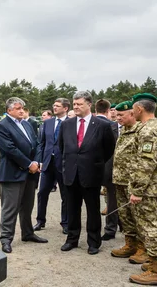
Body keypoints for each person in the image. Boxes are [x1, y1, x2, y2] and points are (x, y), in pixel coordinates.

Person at [58, 91, 116, 255]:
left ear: (89, 104)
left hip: (91, 173)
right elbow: (62, 148)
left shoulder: (102, 125)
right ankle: (72, 239)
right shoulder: (66, 125)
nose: (75, 107)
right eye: (74, 104)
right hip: (71, 173)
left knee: (92, 209)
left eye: (79, 104)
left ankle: (94, 242)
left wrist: (94, 162)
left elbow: (109, 149)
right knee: (72, 209)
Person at [0, 97, 47, 254]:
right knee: (10, 208)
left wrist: (36, 162)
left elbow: (37, 144)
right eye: (18, 108)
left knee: (27, 206)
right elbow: (9, 149)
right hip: (13, 173)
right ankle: (5, 238)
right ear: (9, 110)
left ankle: (27, 233)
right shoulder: (2, 126)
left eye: (23, 108)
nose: (22, 110)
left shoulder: (27, 124)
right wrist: (28, 164)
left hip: (30, 173)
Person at [128, 93, 157, 284]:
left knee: (151, 227)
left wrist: (137, 190)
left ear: (139, 109)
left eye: (133, 109)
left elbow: (146, 162)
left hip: (149, 190)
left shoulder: (148, 131)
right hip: (152, 187)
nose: (132, 112)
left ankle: (155, 270)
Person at [110, 101, 144, 261]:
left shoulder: (141, 130)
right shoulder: (123, 130)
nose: (117, 118)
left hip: (133, 182)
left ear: (132, 114)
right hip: (120, 180)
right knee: (125, 216)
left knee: (139, 217)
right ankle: (130, 244)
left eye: (121, 115)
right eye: (116, 115)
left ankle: (143, 249)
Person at [34, 98, 69, 235]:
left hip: (63, 164)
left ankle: (65, 223)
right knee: (42, 193)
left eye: (58, 106)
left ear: (65, 108)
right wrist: (39, 161)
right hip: (47, 163)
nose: (54, 108)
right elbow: (41, 143)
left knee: (66, 195)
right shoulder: (47, 123)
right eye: (54, 105)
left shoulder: (70, 123)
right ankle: (40, 220)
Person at [94, 98, 119, 241]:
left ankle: (101, 228)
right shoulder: (112, 126)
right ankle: (111, 227)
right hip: (110, 169)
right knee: (112, 200)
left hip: (93, 168)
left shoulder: (90, 125)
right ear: (108, 110)